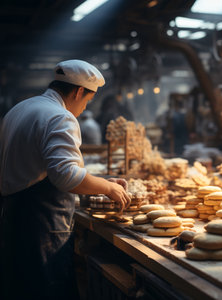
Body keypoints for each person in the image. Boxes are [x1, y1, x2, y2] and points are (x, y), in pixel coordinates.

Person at [0, 60, 131, 300]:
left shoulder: (21, 109)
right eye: (87, 101)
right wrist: (108, 187)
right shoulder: (60, 116)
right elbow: (65, 176)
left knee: (18, 288)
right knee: (48, 291)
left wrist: (100, 179)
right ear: (79, 92)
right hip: (40, 225)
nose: (82, 109)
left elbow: (43, 166)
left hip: (13, 217)